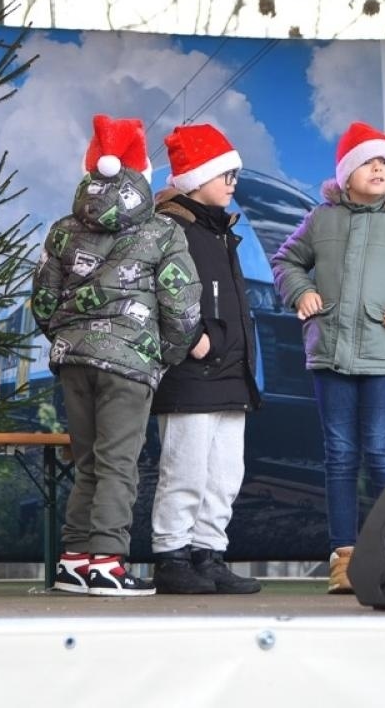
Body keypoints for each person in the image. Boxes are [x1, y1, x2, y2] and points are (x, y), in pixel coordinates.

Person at [271, 122, 385, 593]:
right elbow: (285, 260)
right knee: (339, 454)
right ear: (348, 172)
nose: (379, 170)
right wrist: (302, 291)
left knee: (380, 450)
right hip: (329, 355)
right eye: (369, 163)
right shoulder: (322, 218)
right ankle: (343, 557)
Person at [32, 116, 201, 597]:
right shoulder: (162, 231)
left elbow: (43, 300)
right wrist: (161, 355)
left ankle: (75, 559)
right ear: (142, 177)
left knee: (87, 461)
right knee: (117, 465)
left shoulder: (63, 231)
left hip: (74, 361)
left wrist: (67, 339)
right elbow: (183, 305)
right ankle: (107, 561)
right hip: (130, 364)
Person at [149, 124, 262, 595]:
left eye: (235, 174)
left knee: (224, 473)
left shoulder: (222, 232)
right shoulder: (171, 229)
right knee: (186, 468)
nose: (233, 182)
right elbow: (159, 289)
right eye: (225, 174)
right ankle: (172, 555)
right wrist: (191, 337)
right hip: (190, 373)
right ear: (195, 179)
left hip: (230, 374)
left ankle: (208, 552)